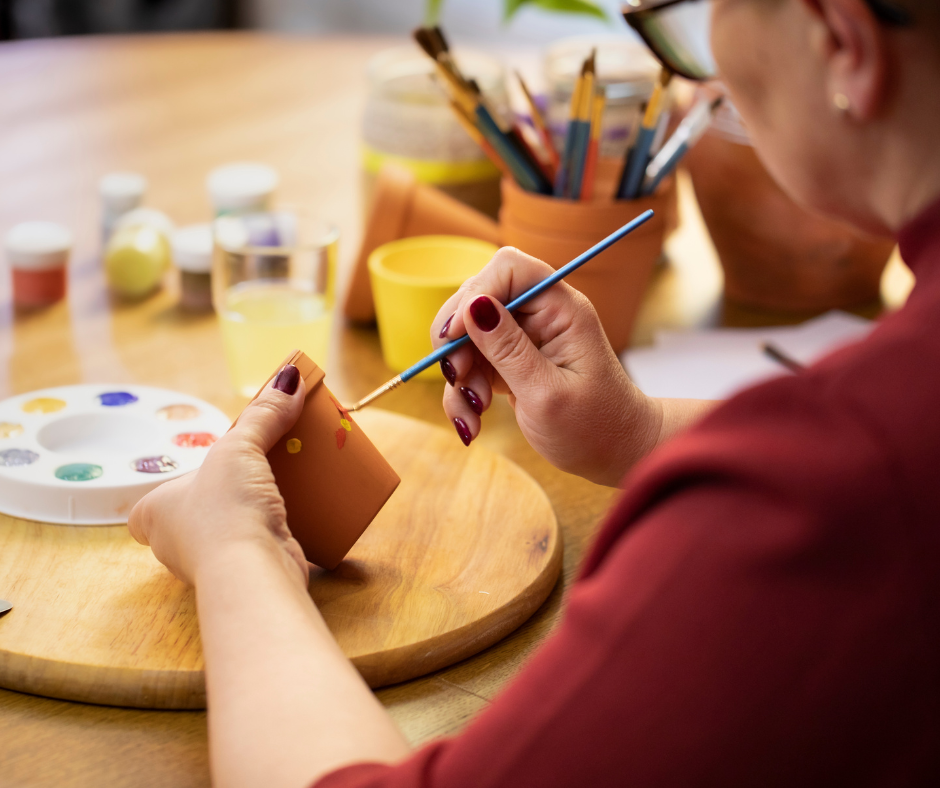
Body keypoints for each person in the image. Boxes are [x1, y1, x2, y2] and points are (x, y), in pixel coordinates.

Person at [129, 0, 940, 785]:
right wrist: (641, 431)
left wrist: (236, 555)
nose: (703, 88)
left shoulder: (817, 500)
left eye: (693, 27)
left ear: (843, 40)